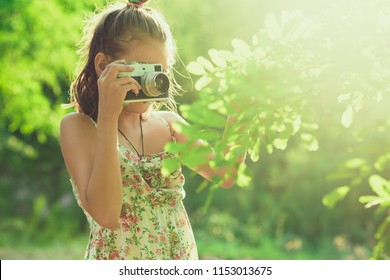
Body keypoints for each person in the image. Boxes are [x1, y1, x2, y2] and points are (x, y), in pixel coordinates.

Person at [60, 0, 244, 260]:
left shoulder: (169, 125)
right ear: (103, 66)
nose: (153, 80)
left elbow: (225, 173)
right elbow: (106, 214)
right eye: (144, 68)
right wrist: (108, 116)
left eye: (162, 70)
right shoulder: (79, 127)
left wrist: (242, 114)